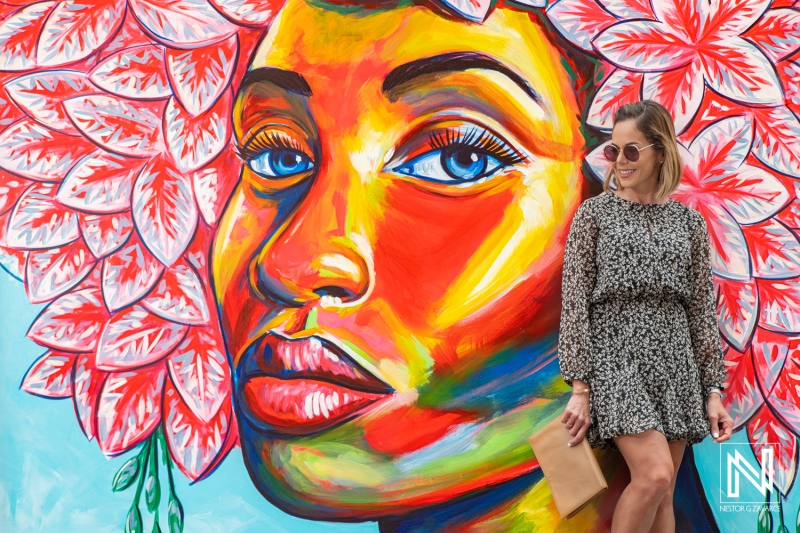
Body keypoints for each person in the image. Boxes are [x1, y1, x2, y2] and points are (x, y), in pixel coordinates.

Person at [558, 100, 735, 533]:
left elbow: (698, 308)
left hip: (676, 363)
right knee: (653, 475)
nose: (620, 162)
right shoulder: (594, 215)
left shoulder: (687, 224)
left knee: (664, 491)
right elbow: (574, 300)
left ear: (660, 151)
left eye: (631, 151)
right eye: (613, 151)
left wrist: (712, 389)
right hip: (617, 360)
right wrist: (581, 386)